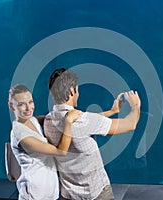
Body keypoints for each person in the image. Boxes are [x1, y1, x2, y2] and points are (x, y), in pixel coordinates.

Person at [44, 68, 141, 200]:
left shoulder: (48, 121)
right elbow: (131, 124)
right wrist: (136, 106)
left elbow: (88, 122)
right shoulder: (83, 121)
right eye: (77, 90)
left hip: (68, 195)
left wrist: (112, 111)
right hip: (95, 194)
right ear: (72, 91)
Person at [8, 84, 82, 200]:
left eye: (30, 102)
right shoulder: (20, 134)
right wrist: (68, 121)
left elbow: (51, 118)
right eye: (21, 104)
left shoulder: (32, 120)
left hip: (49, 190)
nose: (28, 108)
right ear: (12, 106)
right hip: (35, 194)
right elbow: (61, 151)